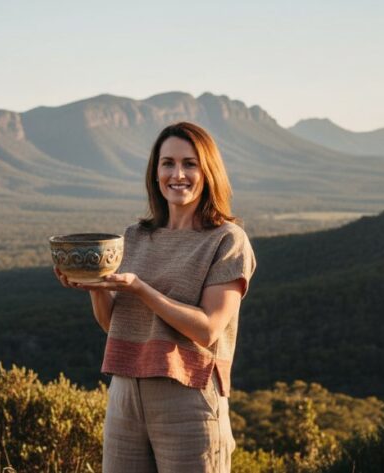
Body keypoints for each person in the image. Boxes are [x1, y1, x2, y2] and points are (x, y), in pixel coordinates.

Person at [54, 121, 256, 472]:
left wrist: (140, 289)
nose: (177, 174)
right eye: (168, 163)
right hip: (125, 393)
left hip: (188, 395)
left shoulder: (226, 240)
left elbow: (208, 329)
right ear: (155, 171)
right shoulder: (134, 236)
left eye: (190, 163)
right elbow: (113, 323)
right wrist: (95, 287)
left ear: (208, 170)